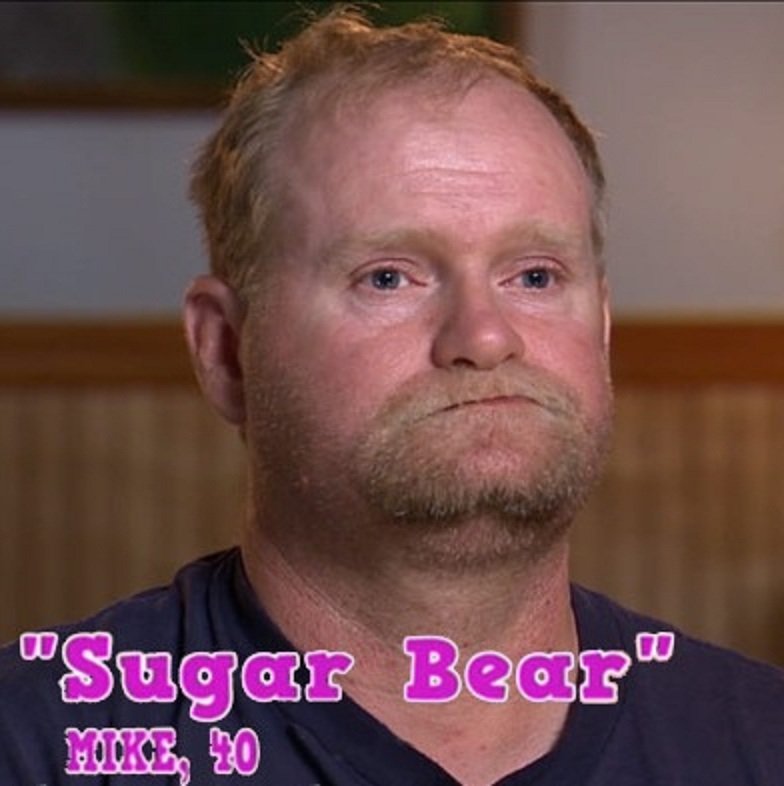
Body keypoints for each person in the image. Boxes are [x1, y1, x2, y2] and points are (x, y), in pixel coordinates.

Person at [1, 7, 782, 785]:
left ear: (602, 329)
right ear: (226, 351)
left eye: (535, 276)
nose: (485, 337)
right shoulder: (33, 746)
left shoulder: (760, 740)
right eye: (388, 278)